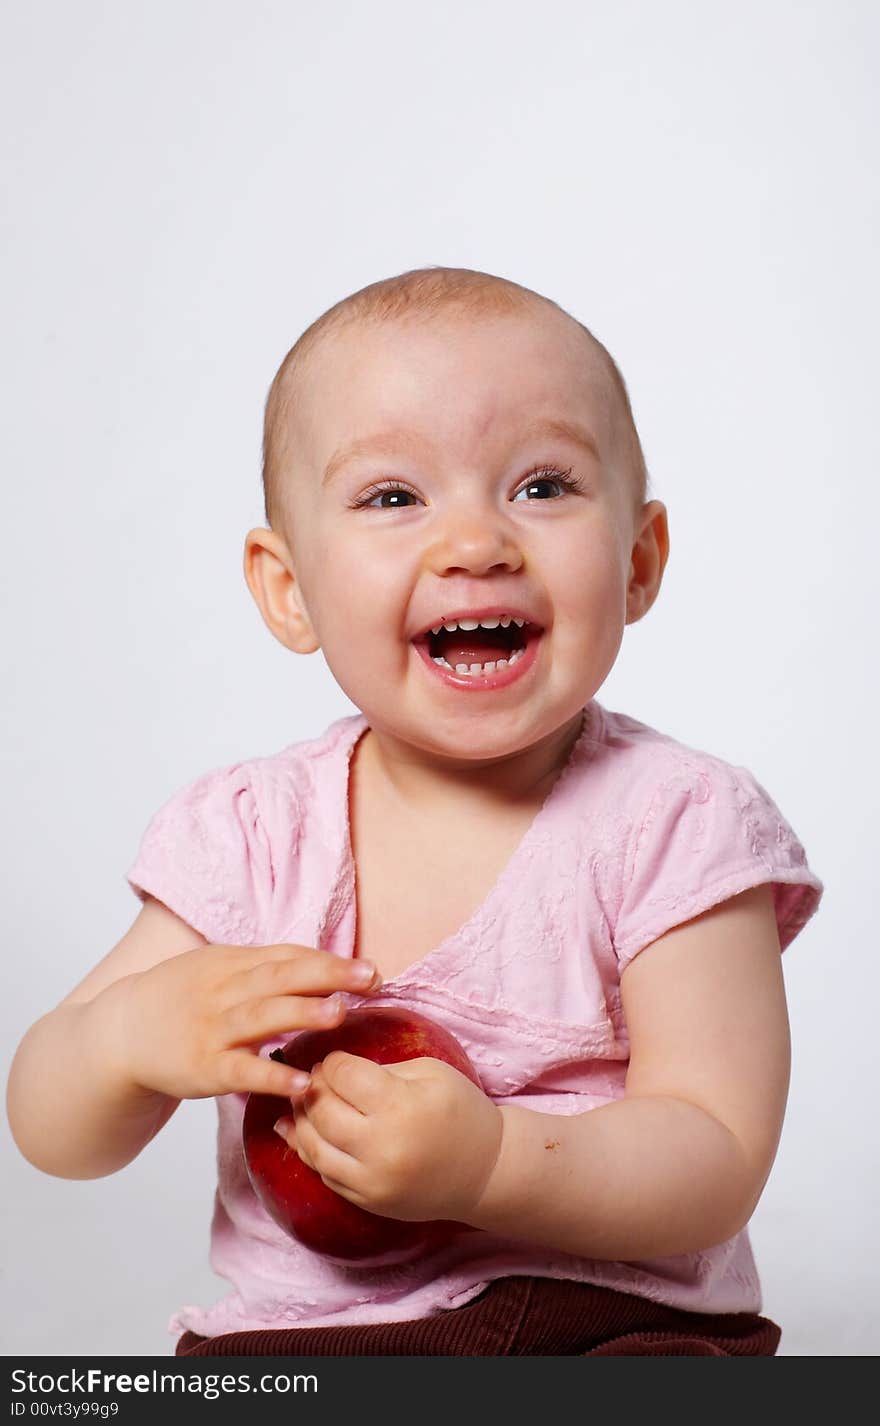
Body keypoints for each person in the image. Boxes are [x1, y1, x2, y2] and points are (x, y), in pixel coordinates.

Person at [6, 266, 823, 1357]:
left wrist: (489, 1162)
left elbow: (715, 1156)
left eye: (541, 485)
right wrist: (126, 1041)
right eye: (394, 497)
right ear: (288, 588)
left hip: (607, 1327)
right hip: (305, 1345)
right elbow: (51, 1127)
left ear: (637, 561)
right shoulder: (253, 837)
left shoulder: (675, 821)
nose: (477, 540)